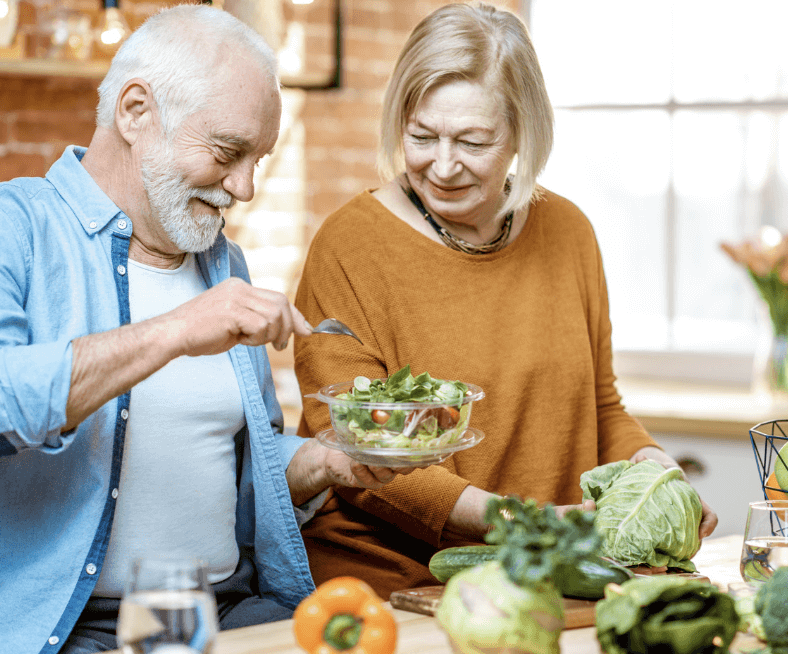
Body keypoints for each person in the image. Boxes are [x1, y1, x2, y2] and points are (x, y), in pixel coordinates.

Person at [0, 5, 402, 654]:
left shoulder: (223, 266)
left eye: (257, 161)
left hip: (230, 616)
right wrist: (173, 332)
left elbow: (229, 481)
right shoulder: (2, 223)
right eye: (227, 154)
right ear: (136, 111)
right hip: (61, 638)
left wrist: (327, 462)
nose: (244, 188)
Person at [292, 2, 718, 599]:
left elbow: (601, 406)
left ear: (522, 133)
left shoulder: (568, 232)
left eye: (473, 140)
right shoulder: (350, 245)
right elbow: (354, 451)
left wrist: (658, 476)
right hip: (398, 584)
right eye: (421, 136)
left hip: (548, 572)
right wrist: (523, 522)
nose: (442, 166)